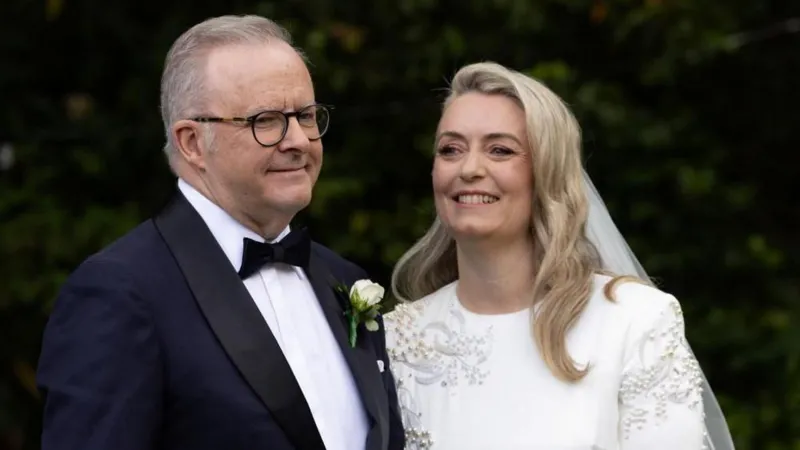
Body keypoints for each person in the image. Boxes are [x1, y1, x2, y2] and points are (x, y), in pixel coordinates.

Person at [36, 15, 404, 450]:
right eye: (265, 120)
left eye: (305, 115)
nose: (299, 141)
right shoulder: (121, 292)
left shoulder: (339, 277)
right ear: (192, 143)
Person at [384, 62, 735, 449]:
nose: (469, 168)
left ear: (546, 172)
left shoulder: (634, 322)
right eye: (451, 149)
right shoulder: (397, 340)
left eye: (500, 150)